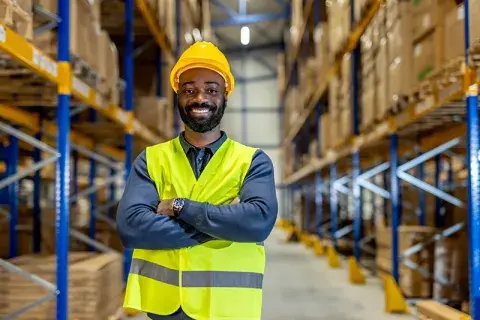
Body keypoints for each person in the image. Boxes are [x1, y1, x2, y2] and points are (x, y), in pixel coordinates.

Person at [116, 41, 278, 320]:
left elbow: (258, 222)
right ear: (178, 96)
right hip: (166, 308)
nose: (200, 98)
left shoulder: (252, 161)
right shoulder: (151, 159)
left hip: (227, 307)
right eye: (189, 90)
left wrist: (180, 208)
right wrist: (224, 224)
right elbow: (131, 228)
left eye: (211, 90)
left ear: (225, 95)